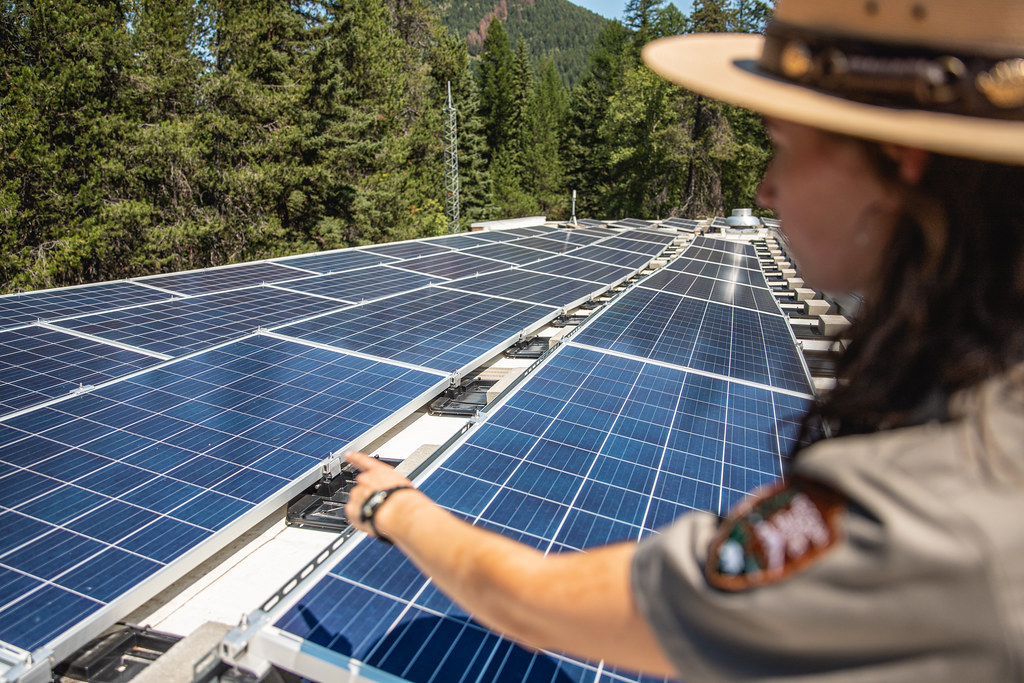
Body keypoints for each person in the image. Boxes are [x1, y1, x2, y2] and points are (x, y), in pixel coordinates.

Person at [345, 0, 1024, 679]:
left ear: (899, 158)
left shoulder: (926, 512)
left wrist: (394, 507)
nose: (765, 188)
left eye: (783, 144)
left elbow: (531, 603)